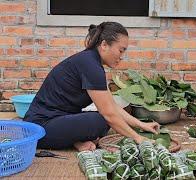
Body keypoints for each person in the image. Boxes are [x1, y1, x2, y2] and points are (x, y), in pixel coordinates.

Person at [24, 22, 160, 151]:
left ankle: (75, 141)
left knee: (104, 119)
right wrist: (139, 139)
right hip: (39, 127)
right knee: (101, 121)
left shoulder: (91, 62)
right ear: (104, 45)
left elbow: (111, 106)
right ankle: (73, 140)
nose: (122, 56)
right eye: (121, 50)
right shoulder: (90, 65)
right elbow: (109, 114)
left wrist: (141, 124)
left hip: (59, 119)